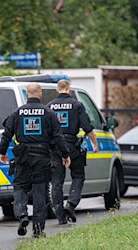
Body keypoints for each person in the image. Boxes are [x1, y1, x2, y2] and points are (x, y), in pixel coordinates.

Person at [0, 83, 70, 238]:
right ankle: (38, 229)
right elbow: (58, 136)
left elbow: (6, 134)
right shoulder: (48, 113)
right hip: (42, 156)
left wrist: (3, 152)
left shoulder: (17, 113)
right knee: (39, 191)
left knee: (20, 187)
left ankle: (22, 214)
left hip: (23, 157)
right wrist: (65, 154)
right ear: (40, 94)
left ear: (27, 95)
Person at [47, 80, 99, 224]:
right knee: (78, 176)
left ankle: (60, 215)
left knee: (56, 181)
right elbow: (87, 127)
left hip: (55, 146)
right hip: (71, 145)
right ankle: (70, 204)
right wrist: (95, 144)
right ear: (68, 89)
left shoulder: (49, 106)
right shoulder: (77, 105)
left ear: (58, 90)